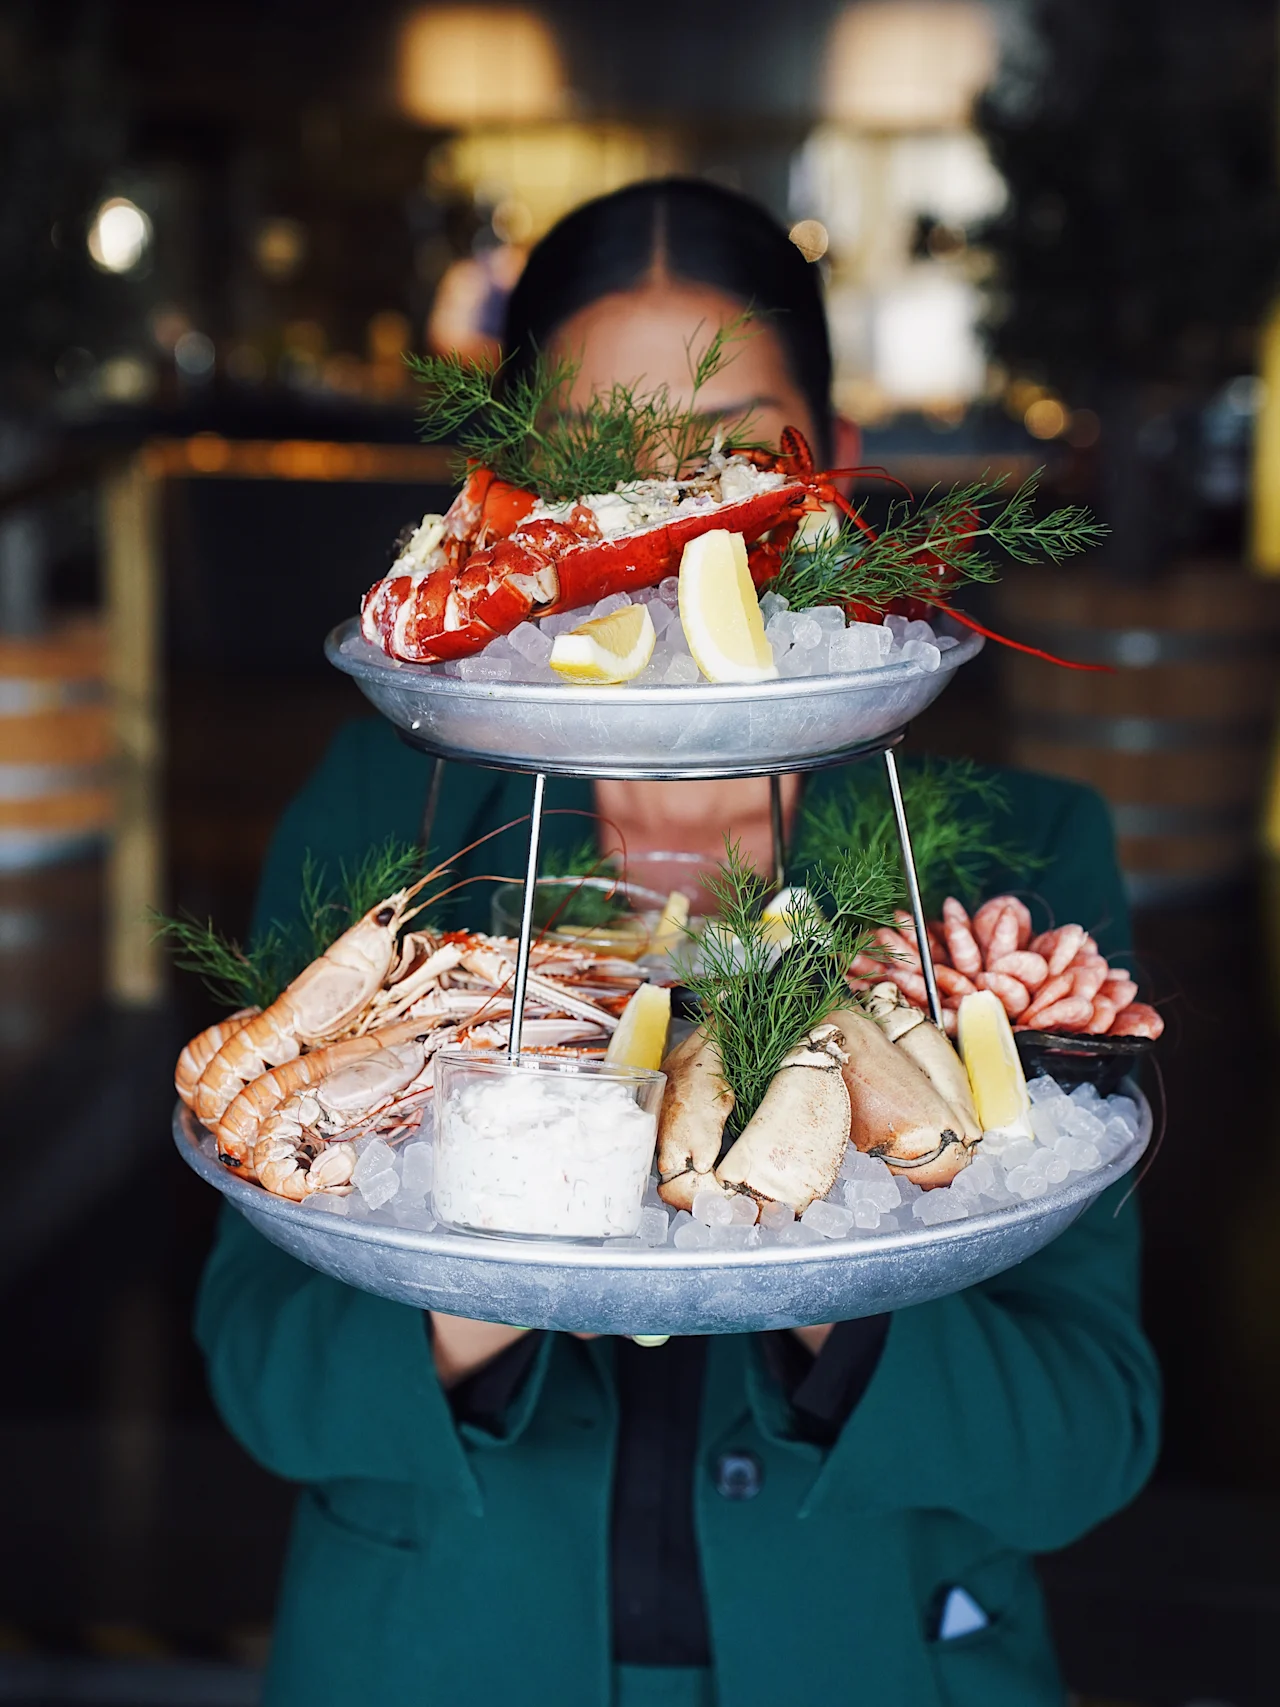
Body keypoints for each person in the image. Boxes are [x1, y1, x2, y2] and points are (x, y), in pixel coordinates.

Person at [196, 180, 1160, 1707]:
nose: (672, 507)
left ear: (831, 469)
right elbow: (263, 1368)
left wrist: (830, 1200)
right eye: (601, 451)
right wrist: (490, 1225)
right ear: (506, 487)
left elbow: (1087, 1435)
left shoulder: (1016, 857)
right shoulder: (387, 810)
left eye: (740, 447)